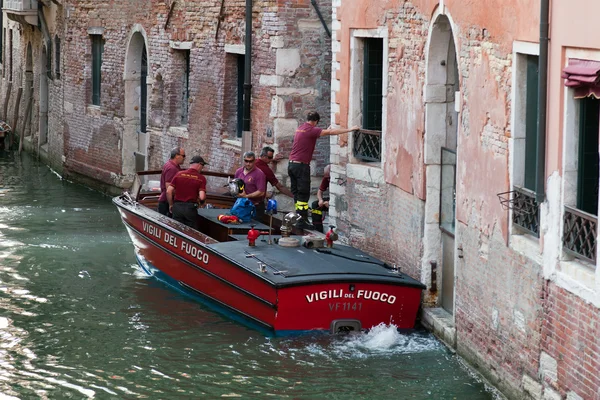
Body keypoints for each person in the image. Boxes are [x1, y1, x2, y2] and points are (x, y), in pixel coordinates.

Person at [288, 111, 359, 228]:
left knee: (296, 193)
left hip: (291, 165)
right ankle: (302, 221)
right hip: (301, 166)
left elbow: (319, 133)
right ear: (316, 122)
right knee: (303, 194)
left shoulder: (301, 128)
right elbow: (331, 132)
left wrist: (325, 130)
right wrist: (350, 129)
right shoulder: (312, 130)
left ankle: (299, 218)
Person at [166, 155, 208, 229]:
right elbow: (202, 197)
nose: (202, 168)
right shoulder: (201, 178)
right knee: (191, 232)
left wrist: (170, 204)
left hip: (177, 207)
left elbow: (168, 191)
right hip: (190, 209)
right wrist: (202, 203)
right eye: (202, 165)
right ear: (199, 165)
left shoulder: (179, 174)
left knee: (176, 230)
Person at [234, 151, 267, 219]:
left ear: (254, 161)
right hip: (241, 204)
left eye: (251, 161)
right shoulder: (239, 171)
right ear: (243, 160)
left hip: (255, 206)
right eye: (246, 161)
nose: (248, 164)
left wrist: (246, 196)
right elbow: (235, 185)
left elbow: (261, 192)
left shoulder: (259, 174)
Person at [158, 146, 186, 217]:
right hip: (166, 202)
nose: (184, 158)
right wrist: (171, 204)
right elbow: (169, 189)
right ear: (177, 156)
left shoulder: (169, 164)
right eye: (183, 156)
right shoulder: (172, 168)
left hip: (164, 200)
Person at [311, 164, 330, 233]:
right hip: (329, 200)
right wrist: (320, 200)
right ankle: (317, 229)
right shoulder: (326, 178)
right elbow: (319, 191)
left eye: (329, 177)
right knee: (315, 205)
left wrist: (330, 204)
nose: (328, 179)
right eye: (326, 177)